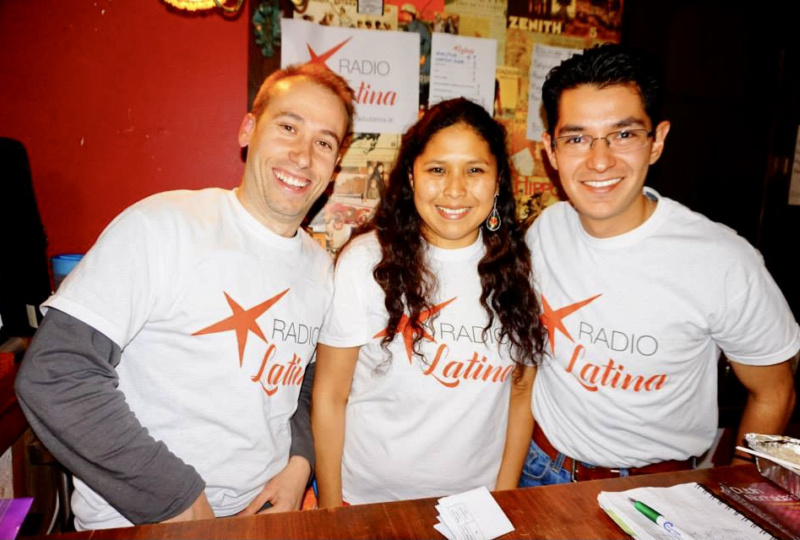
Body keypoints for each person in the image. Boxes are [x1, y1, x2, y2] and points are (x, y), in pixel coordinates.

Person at [15, 63, 355, 529]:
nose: (302, 156)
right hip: (143, 521)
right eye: (288, 126)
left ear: (335, 165)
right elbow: (56, 375)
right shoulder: (162, 225)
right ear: (248, 130)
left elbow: (305, 383)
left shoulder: (321, 268)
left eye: (323, 142)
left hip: (259, 519)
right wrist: (179, 501)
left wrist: (300, 462)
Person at [521, 43, 800, 486]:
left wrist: (739, 490)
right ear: (551, 153)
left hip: (655, 486)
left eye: (624, 134)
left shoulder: (723, 261)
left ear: (658, 141)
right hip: (537, 467)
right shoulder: (544, 231)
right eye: (576, 138)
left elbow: (774, 388)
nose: (599, 160)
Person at [312, 98, 546, 507]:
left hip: (474, 506)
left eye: (475, 170)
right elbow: (331, 395)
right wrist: (332, 513)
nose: (454, 189)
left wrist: (504, 498)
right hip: (367, 502)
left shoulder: (522, 268)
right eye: (437, 170)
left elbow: (521, 393)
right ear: (411, 176)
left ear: (497, 182)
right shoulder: (367, 261)